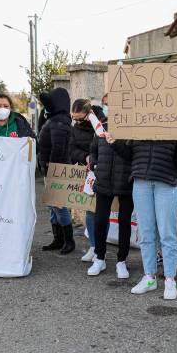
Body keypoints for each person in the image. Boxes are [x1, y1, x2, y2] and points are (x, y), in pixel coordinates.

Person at [106, 132, 177, 300]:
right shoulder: (140, 128)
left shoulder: (174, 128)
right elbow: (129, 155)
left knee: (167, 234)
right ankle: (149, 277)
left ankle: (169, 279)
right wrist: (115, 143)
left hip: (166, 185)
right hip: (141, 184)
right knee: (146, 233)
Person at [86, 108, 134, 278]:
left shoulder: (132, 129)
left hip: (126, 181)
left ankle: (122, 260)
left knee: (124, 222)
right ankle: (100, 257)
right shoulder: (101, 127)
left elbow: (133, 155)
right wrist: (92, 161)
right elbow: (93, 150)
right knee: (100, 220)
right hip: (104, 180)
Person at [38, 88, 75, 255]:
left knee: (59, 206)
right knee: (53, 206)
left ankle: (68, 241)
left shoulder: (59, 122)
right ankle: (58, 238)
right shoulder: (55, 119)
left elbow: (58, 150)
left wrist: (52, 170)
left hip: (56, 170)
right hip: (52, 170)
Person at [68, 99, 99, 261]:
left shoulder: (102, 122)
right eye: (74, 118)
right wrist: (85, 157)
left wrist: (95, 159)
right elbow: (72, 149)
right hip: (88, 173)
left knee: (103, 212)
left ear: (89, 113)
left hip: (104, 170)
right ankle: (94, 247)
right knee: (91, 210)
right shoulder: (75, 128)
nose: (77, 121)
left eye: (80, 118)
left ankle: (101, 248)